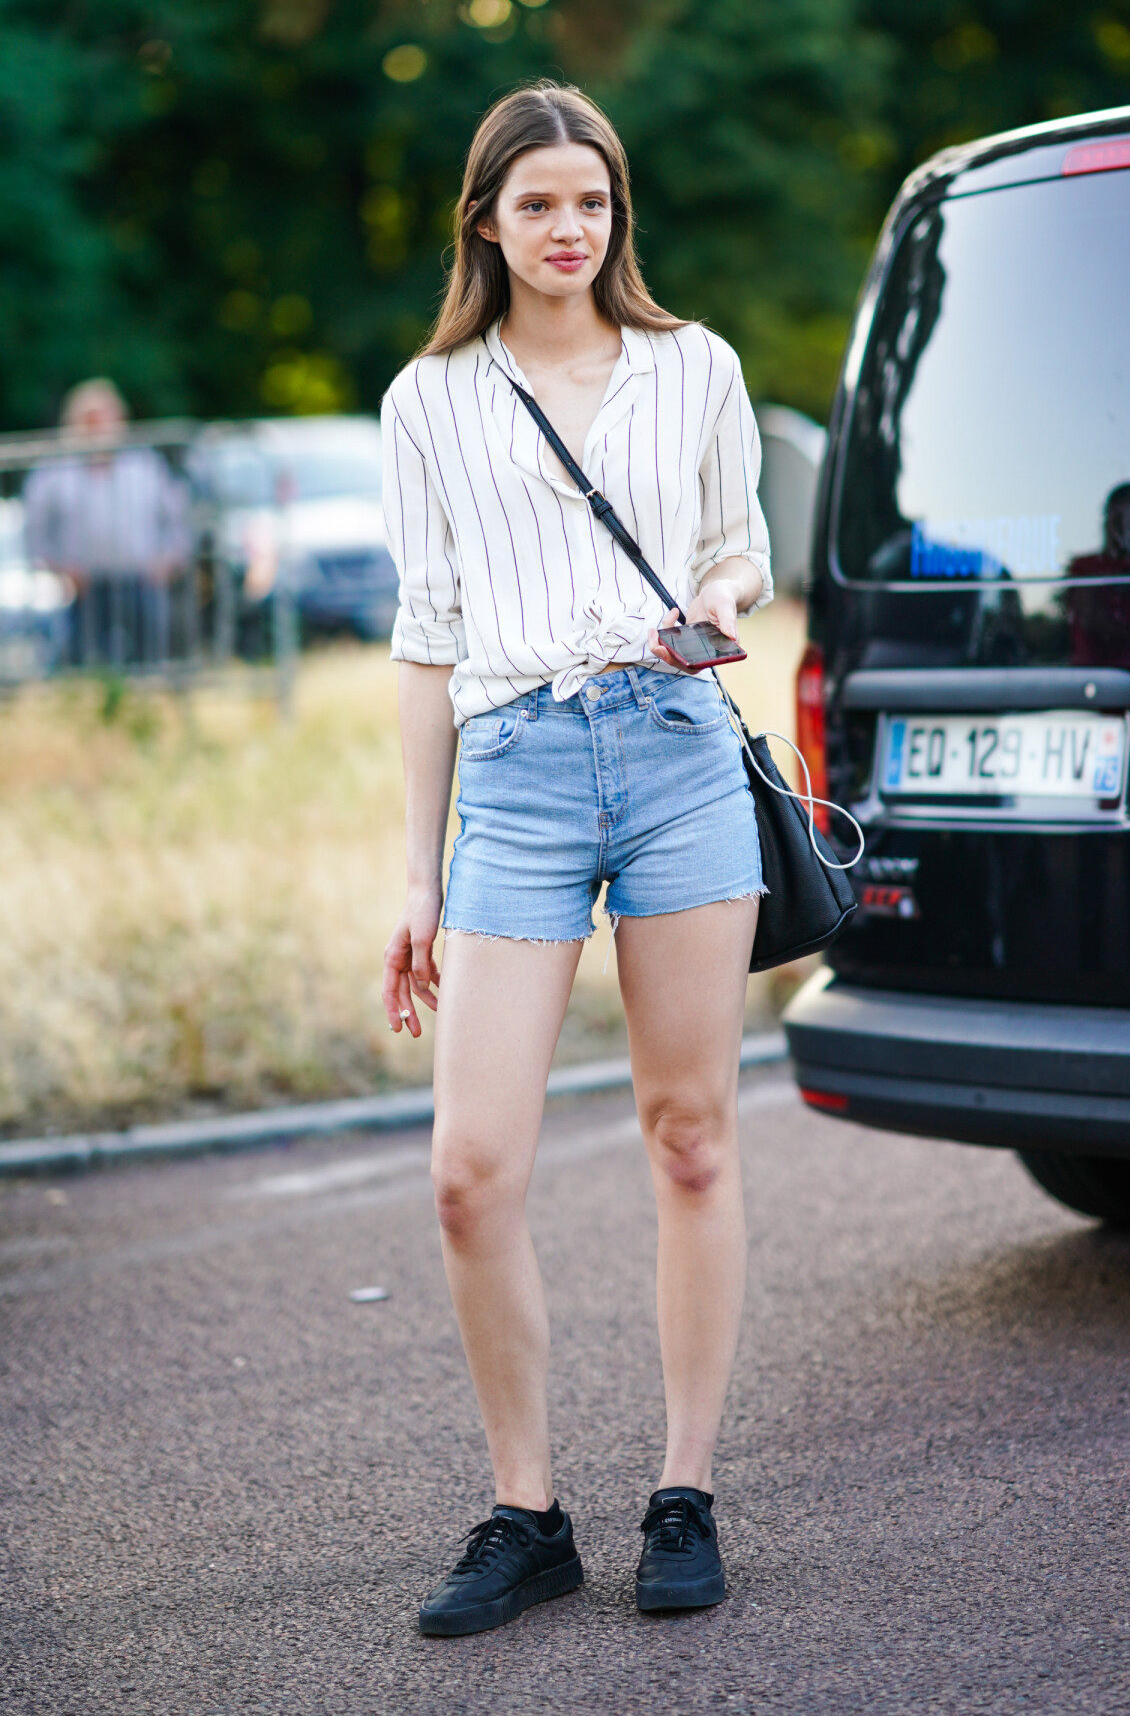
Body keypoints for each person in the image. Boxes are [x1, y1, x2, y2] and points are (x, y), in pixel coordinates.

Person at [379, 82, 771, 1637]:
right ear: (485, 217)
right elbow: (426, 643)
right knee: (469, 1172)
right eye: (537, 202)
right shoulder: (432, 401)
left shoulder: (698, 367)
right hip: (521, 777)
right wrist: (417, 873)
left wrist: (722, 588)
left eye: (593, 201)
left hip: (676, 752)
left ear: (619, 213)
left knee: (690, 1137)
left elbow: (741, 540)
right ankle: (525, 1509)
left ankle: (684, 1489)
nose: (569, 228)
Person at [23, 379, 191, 667]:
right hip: (82, 589)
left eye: (104, 417)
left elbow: (176, 520)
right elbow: (34, 532)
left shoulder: (144, 465)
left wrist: (169, 561)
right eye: (89, 419)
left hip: (139, 582)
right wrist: (58, 568)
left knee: (151, 659)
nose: (97, 427)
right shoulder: (54, 473)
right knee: (74, 662)